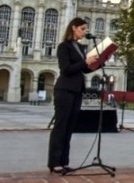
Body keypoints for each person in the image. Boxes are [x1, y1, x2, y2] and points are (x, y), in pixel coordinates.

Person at [47, 17, 100, 174]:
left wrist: (99, 62)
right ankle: (54, 162)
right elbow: (66, 69)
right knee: (61, 126)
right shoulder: (64, 46)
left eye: (85, 29)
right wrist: (85, 62)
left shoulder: (78, 47)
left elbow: (83, 70)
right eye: (82, 29)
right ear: (73, 28)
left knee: (69, 127)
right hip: (64, 90)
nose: (84, 32)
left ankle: (64, 161)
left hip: (77, 90)